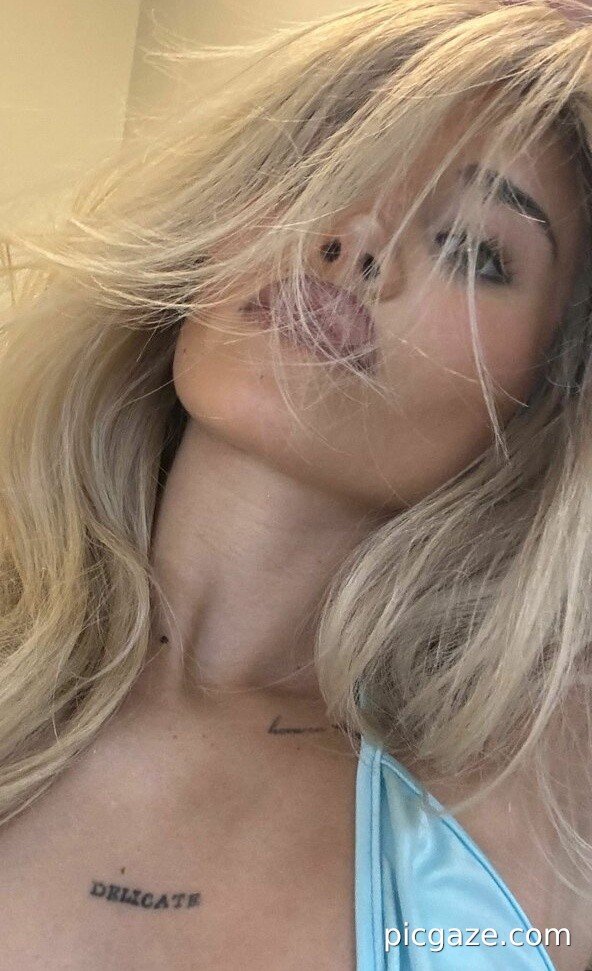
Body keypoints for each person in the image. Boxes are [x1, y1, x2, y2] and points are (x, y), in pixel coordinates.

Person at [0, 1, 591, 968]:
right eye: (324, 163)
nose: (356, 242)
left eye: (473, 247)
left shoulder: (539, 821)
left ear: (545, 404)